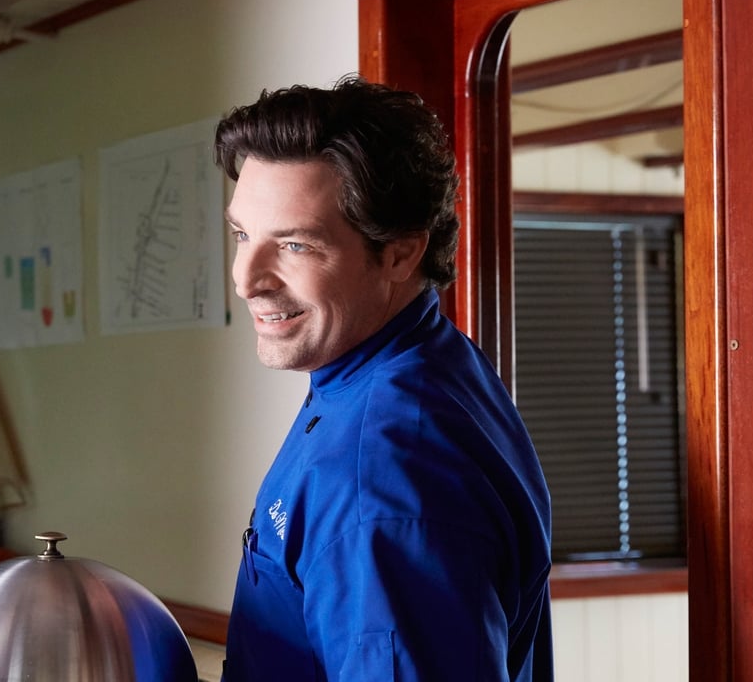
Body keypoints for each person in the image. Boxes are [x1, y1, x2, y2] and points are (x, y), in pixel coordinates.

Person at [214, 76, 553, 681]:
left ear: (400, 253)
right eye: (243, 234)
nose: (246, 279)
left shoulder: (382, 476)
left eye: (294, 245)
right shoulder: (424, 361)